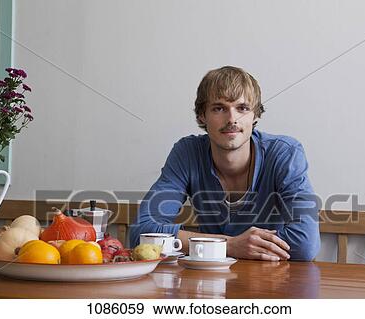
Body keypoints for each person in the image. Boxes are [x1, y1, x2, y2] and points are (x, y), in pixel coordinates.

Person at [130, 66, 320, 261]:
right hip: (209, 280)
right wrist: (231, 245)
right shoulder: (187, 153)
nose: (232, 119)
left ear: (255, 115)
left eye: (242, 108)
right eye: (219, 108)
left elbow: (305, 244)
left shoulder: (284, 153)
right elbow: (142, 232)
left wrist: (215, 245)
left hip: (270, 279)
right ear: (202, 115)